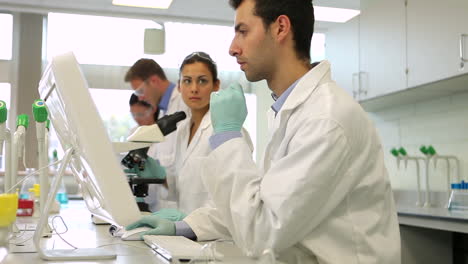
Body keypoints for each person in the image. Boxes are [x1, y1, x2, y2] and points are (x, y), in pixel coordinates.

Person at [126, 0, 401, 263]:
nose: (233, 48)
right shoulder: (293, 112)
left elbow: (262, 230)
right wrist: (184, 226)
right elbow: (262, 203)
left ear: (280, 28)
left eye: (243, 32)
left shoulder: (326, 119)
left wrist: (228, 138)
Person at [158, 51, 252, 215]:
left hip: (213, 233)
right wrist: (159, 176)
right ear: (179, 86)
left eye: (202, 81)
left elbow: (233, 194)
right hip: (187, 230)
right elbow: (181, 186)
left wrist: (192, 223)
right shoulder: (182, 130)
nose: (194, 89)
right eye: (187, 81)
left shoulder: (227, 131)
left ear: (216, 85)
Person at [125, 59, 189, 211]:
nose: (140, 98)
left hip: (184, 206)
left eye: (139, 91)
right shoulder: (163, 111)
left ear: (153, 80)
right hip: (167, 203)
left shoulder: (183, 104)